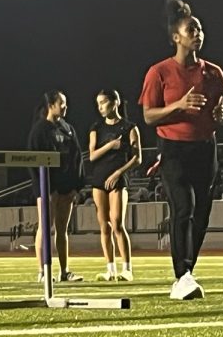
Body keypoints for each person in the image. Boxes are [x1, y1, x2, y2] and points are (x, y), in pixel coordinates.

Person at [139, 0, 223, 300]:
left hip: (205, 149)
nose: (198, 34)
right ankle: (182, 276)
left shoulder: (214, 72)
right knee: (184, 206)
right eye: (191, 29)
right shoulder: (159, 72)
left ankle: (189, 270)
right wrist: (178, 105)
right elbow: (148, 115)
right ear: (175, 37)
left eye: (200, 29)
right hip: (173, 149)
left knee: (202, 213)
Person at [27, 90, 84, 282]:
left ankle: (64, 271)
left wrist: (77, 186)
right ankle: (43, 272)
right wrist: (45, 189)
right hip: (47, 188)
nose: (65, 107)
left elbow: (77, 158)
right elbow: (34, 162)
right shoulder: (40, 130)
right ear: (51, 105)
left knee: (62, 229)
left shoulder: (68, 129)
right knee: (45, 227)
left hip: (66, 188)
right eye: (62, 103)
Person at [88, 89, 141, 282]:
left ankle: (127, 268)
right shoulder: (96, 127)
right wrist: (111, 145)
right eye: (98, 103)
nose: (100, 107)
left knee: (117, 223)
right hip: (99, 178)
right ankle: (110, 269)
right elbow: (92, 155)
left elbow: (137, 158)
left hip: (117, 179)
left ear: (115, 102)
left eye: (104, 102)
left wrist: (119, 172)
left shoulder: (129, 127)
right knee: (104, 226)